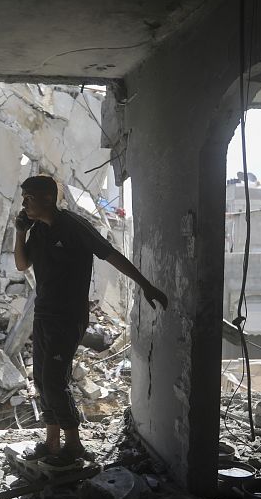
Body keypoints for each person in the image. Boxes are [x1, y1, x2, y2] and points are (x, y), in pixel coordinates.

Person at [13, 175, 168, 468]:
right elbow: (22, 265)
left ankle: (74, 445)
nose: (24, 203)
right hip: (44, 314)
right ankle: (52, 443)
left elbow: (112, 255)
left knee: (55, 381)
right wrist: (20, 233)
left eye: (28, 197)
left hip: (68, 316)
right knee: (42, 382)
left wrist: (145, 285)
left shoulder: (73, 226)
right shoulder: (39, 232)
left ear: (48, 198)